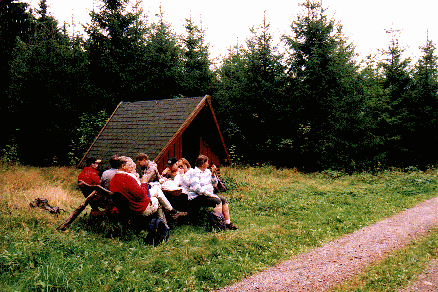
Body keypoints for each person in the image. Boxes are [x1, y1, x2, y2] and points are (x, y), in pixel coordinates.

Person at [110, 156, 185, 222]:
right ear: (123, 166)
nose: (132, 167)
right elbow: (141, 195)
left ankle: (168, 218)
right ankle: (165, 222)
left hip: (125, 209)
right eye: (130, 166)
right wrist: (144, 182)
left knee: (156, 191)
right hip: (137, 209)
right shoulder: (128, 178)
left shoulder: (114, 179)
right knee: (156, 199)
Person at [181, 155, 238, 230]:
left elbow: (214, 184)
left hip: (206, 195)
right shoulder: (194, 173)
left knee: (223, 200)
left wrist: (213, 174)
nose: (208, 164)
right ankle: (218, 225)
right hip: (196, 197)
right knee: (217, 201)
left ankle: (228, 223)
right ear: (202, 164)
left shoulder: (207, 172)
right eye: (207, 162)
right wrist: (211, 195)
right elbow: (197, 189)